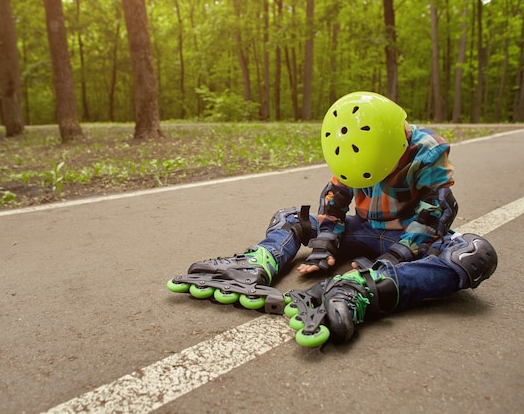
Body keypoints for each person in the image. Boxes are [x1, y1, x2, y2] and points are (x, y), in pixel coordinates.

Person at [167, 91, 497, 347]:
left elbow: (433, 215)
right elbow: (334, 204)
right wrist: (325, 247)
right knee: (292, 217)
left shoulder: (428, 149)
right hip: (365, 228)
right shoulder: (351, 140)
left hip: (410, 235)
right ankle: (258, 262)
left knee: (474, 254)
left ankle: (364, 289)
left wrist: (389, 261)